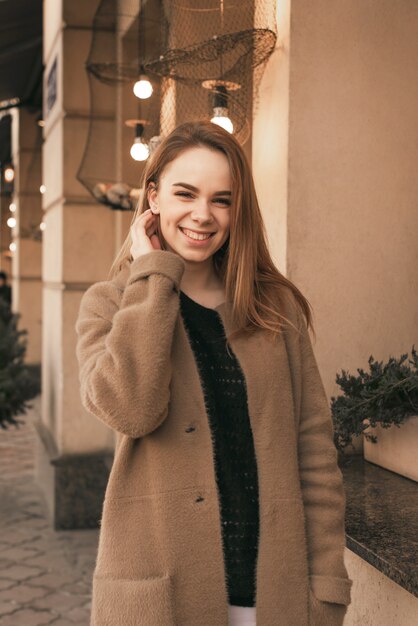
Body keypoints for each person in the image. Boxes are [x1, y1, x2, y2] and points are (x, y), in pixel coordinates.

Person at [75, 120, 353, 626]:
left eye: (222, 199)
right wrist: (154, 275)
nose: (203, 215)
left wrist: (327, 586)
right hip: (165, 595)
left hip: (275, 595)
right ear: (153, 196)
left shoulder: (275, 308)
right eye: (186, 193)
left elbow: (314, 454)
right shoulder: (110, 304)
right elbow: (130, 409)